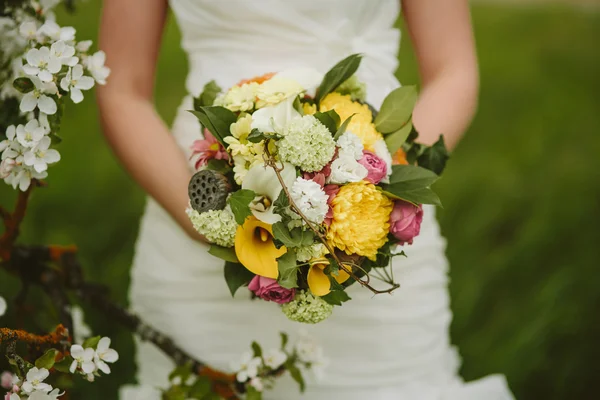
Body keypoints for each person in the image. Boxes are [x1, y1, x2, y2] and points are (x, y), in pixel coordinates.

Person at [97, 1, 514, 399]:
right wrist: (206, 221)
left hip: (370, 232)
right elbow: (122, 90)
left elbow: (453, 72)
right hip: (194, 238)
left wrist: (382, 187)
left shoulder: (377, 199)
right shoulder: (199, 222)